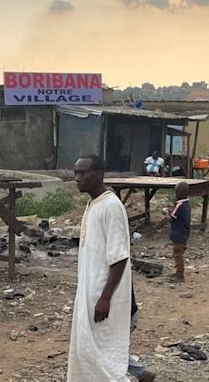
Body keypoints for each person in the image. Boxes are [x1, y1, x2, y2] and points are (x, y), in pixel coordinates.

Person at [67, 155, 132, 381]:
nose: (77, 178)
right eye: (76, 173)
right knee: (85, 348)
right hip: (88, 290)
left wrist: (105, 298)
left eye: (82, 173)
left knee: (103, 354)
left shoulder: (111, 206)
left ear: (99, 174)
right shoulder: (93, 203)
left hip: (103, 294)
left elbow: (120, 257)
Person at [129, 286, 157, 381]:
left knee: (109, 349)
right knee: (112, 349)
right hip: (128, 315)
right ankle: (142, 373)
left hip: (124, 317)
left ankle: (142, 373)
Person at [166, 182, 191, 283]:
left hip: (178, 233)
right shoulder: (186, 204)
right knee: (179, 253)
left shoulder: (179, 204)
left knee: (178, 254)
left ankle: (180, 275)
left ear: (178, 193)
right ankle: (178, 273)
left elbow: (171, 219)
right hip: (184, 232)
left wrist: (165, 213)